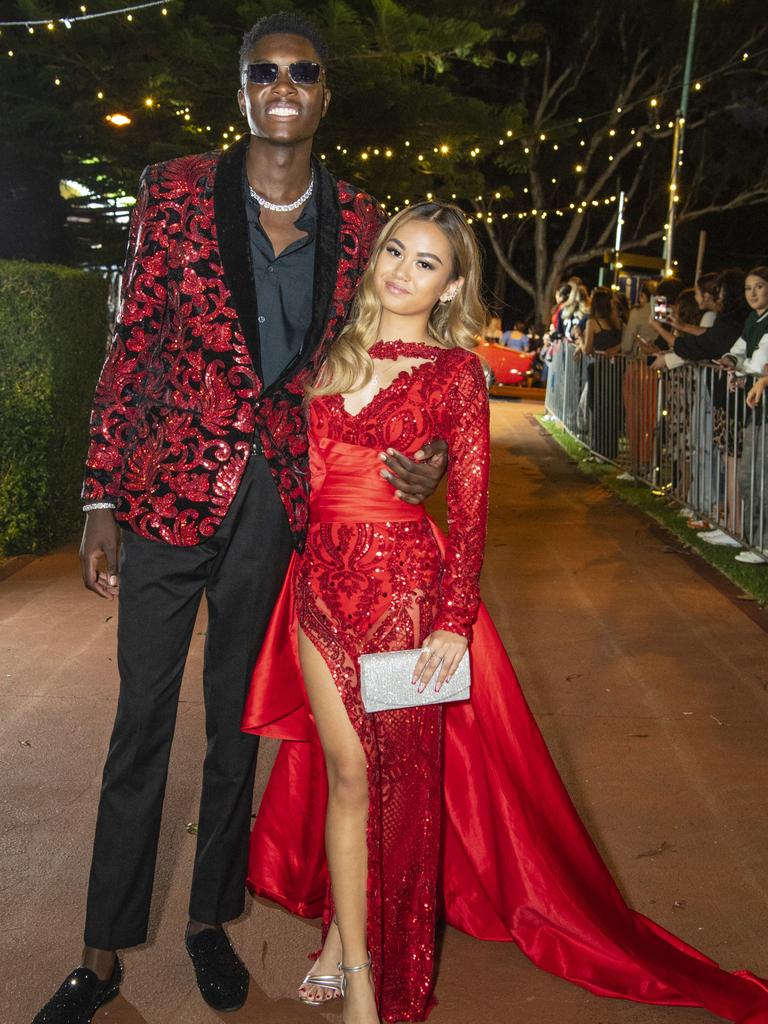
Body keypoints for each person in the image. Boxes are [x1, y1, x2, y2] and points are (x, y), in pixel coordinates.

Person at [240, 202, 768, 1024]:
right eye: (395, 251)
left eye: (426, 263)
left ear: (453, 285)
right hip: (318, 591)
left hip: (410, 598)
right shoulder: (327, 355)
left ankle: (381, 975)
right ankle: (351, 950)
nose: (402, 271)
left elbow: (473, 510)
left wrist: (454, 620)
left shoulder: (455, 374)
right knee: (345, 773)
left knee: (397, 787)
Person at [32, 14, 446, 1024]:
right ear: (243, 90)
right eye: (265, 71)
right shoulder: (172, 192)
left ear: (324, 94)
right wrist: (98, 493)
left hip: (280, 502)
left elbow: (376, 353)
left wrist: (425, 451)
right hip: (169, 491)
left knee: (235, 723)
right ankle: (102, 948)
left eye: (303, 72)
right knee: (140, 720)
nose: (284, 85)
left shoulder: (358, 218)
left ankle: (208, 921)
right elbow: (132, 344)